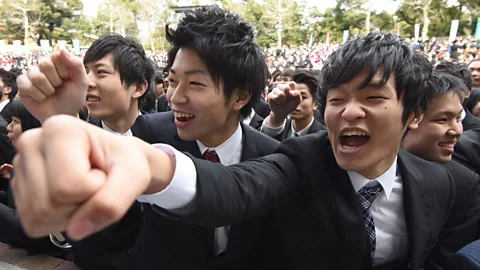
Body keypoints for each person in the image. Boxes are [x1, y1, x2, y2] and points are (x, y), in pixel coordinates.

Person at [11, 32, 469, 270]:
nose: (349, 113)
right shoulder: (299, 161)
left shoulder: (448, 184)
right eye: (337, 100)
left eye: (371, 99)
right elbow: (230, 188)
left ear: (412, 114)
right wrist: (142, 162)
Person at [15, 6, 277, 270]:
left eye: (195, 84)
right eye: (173, 81)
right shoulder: (146, 134)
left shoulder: (272, 156)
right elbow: (105, 230)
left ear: (240, 97)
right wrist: (60, 121)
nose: (174, 97)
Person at [400, 72, 480, 268]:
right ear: (411, 117)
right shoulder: (362, 163)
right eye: (443, 120)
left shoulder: (464, 184)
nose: (456, 131)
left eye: (458, 119)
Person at [261, 71, 324, 141]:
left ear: (315, 104)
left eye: (303, 97)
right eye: (292, 96)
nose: (296, 101)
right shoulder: (277, 127)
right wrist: (276, 116)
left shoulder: (325, 137)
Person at [435, 62, 480, 131]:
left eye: (454, 89)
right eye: (441, 87)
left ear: (468, 92)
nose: (448, 94)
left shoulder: (477, 128)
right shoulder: (418, 122)